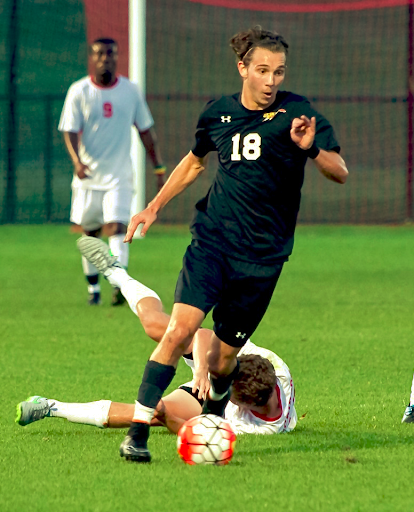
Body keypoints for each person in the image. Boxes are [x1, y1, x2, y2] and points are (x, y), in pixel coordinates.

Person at [118, 26, 348, 462]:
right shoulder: (217, 113)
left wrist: (312, 148)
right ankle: (137, 433)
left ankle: (213, 420)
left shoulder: (299, 113)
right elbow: (193, 162)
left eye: (278, 72)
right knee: (179, 330)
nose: (271, 81)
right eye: (262, 70)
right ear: (243, 68)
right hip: (213, 243)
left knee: (223, 362)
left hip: (263, 260)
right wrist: (153, 206)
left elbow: (340, 171)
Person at [15, 238, 296, 438]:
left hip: (212, 402)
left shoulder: (260, 427)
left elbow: (194, 431)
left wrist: (168, 418)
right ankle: (117, 274)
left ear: (245, 405)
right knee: (153, 325)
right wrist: (202, 369)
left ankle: (50, 407)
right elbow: (202, 334)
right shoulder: (270, 366)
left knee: (150, 412)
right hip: (210, 365)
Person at [58, 37, 166, 306]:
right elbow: (69, 130)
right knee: (91, 233)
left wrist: (159, 166)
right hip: (88, 178)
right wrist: (76, 162)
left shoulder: (130, 91)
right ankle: (93, 289)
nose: (106, 58)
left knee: (117, 228)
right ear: (92, 58)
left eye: (111, 54)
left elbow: (145, 131)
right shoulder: (79, 91)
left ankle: (120, 285)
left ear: (117, 57)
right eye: (100, 54)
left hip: (119, 176)